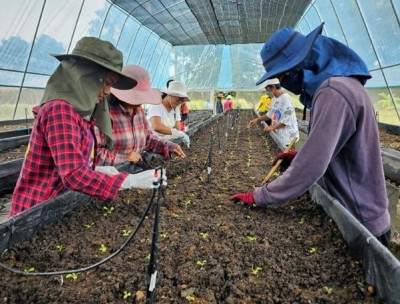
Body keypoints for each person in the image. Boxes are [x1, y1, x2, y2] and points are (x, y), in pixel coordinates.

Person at [230, 23, 391, 248]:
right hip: (354, 215)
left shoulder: (333, 92)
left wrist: (260, 195)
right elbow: (333, 149)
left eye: (283, 74)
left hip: (361, 223)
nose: (283, 82)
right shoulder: (340, 84)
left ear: (301, 64)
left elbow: (312, 166)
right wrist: (298, 157)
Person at [10, 37, 166, 217]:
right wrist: (129, 181)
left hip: (58, 204)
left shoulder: (80, 114)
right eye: (106, 82)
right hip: (36, 211)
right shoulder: (60, 110)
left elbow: (73, 162)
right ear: (86, 77)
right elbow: (73, 174)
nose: (108, 91)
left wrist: (95, 170)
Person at [95, 65, 186, 166]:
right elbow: (94, 154)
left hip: (136, 171)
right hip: (112, 176)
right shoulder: (104, 112)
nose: (140, 101)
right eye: (136, 96)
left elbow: (148, 139)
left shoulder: (138, 111)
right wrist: (124, 158)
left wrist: (168, 146)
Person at [247, 78, 299, 147]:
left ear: (273, 87)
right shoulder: (274, 99)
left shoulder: (286, 98)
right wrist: (257, 120)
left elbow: (287, 120)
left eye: (268, 89)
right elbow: (270, 114)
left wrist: (272, 127)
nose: (267, 92)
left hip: (288, 138)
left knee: (287, 157)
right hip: (279, 136)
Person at [147, 80, 190, 148]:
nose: (180, 102)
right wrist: (176, 133)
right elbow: (156, 127)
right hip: (152, 144)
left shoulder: (176, 110)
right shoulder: (156, 105)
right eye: (178, 98)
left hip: (167, 143)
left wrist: (178, 133)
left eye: (182, 100)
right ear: (170, 94)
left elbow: (177, 129)